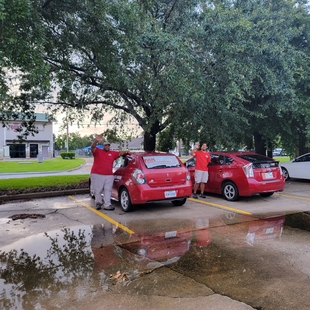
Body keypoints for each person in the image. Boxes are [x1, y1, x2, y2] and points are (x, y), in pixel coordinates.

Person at [90, 135, 130, 211]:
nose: (107, 146)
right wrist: (96, 141)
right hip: (97, 174)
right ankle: (98, 203)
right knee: (97, 190)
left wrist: (126, 151)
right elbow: (93, 147)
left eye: (108, 145)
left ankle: (107, 205)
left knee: (108, 190)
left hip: (109, 175)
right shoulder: (98, 152)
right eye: (105, 145)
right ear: (103, 146)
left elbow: (120, 153)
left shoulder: (112, 153)